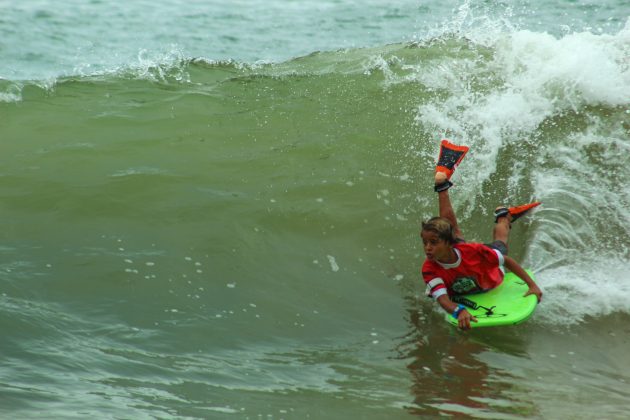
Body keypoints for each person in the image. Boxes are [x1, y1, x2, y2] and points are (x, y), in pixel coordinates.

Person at [421, 140, 543, 330]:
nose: (427, 248)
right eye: (425, 243)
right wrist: (458, 310)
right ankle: (442, 185)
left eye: (433, 243)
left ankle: (504, 217)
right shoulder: (430, 268)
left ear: (449, 243)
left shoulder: (473, 251)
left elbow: (507, 261)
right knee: (447, 227)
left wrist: (531, 285)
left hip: (489, 274)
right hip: (459, 256)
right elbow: (443, 300)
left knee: (500, 243)